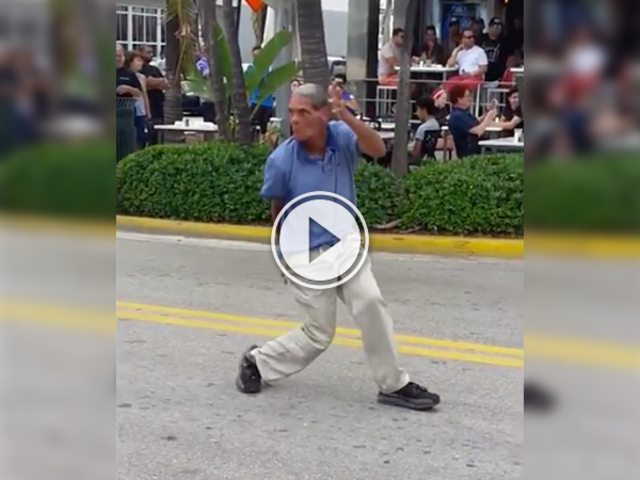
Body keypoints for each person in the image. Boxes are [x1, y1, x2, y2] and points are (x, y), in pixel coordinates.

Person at [235, 83, 441, 412]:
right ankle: (258, 361)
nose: (294, 119)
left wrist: (346, 115)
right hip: (304, 253)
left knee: (370, 302)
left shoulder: (342, 137)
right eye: (292, 112)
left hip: (345, 244)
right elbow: (277, 211)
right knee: (319, 333)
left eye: (304, 112)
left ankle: (393, 385)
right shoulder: (281, 160)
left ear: (323, 114)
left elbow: (377, 149)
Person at [447, 85, 498, 158]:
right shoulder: (458, 116)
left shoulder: (463, 113)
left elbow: (474, 122)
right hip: (470, 153)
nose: (470, 99)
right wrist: (488, 118)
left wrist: (486, 114)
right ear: (459, 99)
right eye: (467, 96)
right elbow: (478, 131)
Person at [138, 45, 168, 145]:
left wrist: (153, 82)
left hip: (158, 106)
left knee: (157, 135)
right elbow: (144, 83)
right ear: (140, 53)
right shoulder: (139, 68)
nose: (151, 55)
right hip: (145, 107)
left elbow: (166, 83)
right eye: (148, 52)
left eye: (152, 52)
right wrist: (156, 82)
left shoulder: (154, 69)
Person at [444, 28, 488, 93]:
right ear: (463, 39)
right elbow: (450, 65)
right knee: (448, 83)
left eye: (473, 37)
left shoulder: (479, 51)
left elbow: (484, 68)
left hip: (475, 77)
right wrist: (457, 51)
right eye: (469, 37)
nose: (472, 39)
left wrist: (471, 73)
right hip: (461, 76)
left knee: (462, 85)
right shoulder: (459, 51)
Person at [124, 50, 151, 149]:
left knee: (141, 136)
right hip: (129, 108)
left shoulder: (142, 77)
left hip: (140, 110)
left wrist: (147, 112)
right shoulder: (125, 75)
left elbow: (144, 95)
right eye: (138, 60)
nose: (141, 63)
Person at [246, 45, 275, 135]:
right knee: (252, 128)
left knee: (265, 129)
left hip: (267, 103)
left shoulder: (268, 69)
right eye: (255, 56)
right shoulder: (251, 69)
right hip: (254, 103)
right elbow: (248, 86)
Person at [480, 18, 508, 85]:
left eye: (499, 26)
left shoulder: (505, 42)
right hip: (481, 75)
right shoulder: (481, 38)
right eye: (494, 26)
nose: (496, 28)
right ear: (489, 27)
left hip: (497, 77)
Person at [412, 96, 441, 160]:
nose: (416, 113)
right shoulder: (436, 124)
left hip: (420, 159)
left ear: (424, 110)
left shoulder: (422, 129)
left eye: (418, 109)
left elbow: (416, 152)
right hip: (429, 157)